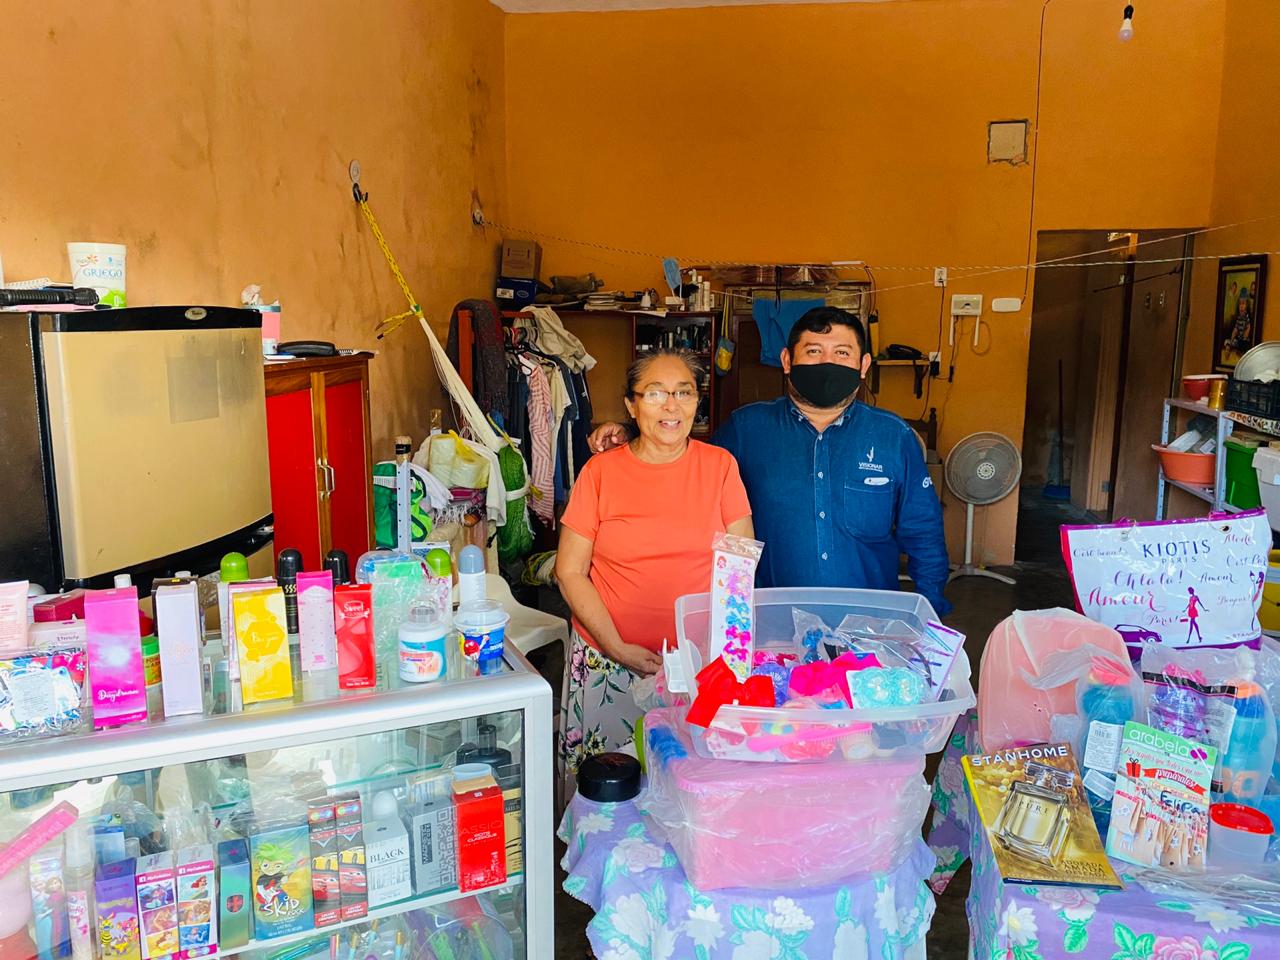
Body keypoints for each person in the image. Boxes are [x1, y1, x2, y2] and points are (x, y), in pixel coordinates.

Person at [590, 306, 950, 614]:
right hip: (772, 627)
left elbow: (924, 533)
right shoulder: (747, 429)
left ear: (863, 364)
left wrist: (929, 618)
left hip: (868, 626)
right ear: (787, 360)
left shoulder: (893, 437)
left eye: (842, 353)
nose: (827, 363)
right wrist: (632, 432)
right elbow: (685, 462)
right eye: (813, 351)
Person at [556, 348, 753, 800]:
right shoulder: (600, 472)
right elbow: (570, 571)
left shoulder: (719, 466)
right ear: (631, 404)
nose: (672, 406)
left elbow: (739, 567)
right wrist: (615, 646)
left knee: (689, 789)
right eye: (656, 393)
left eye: (684, 393)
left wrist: (723, 656)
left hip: (698, 667)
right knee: (609, 792)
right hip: (607, 662)